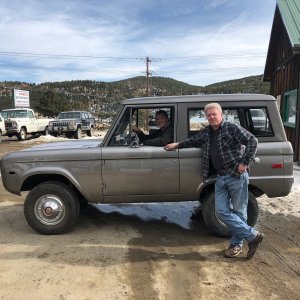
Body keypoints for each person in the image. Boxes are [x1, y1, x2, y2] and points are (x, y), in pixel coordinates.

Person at [164, 102, 264, 259]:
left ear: (221, 114)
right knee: (221, 211)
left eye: (214, 114)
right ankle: (253, 236)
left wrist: (244, 163)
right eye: (208, 115)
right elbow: (194, 140)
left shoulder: (231, 127)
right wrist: (177, 145)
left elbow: (253, 141)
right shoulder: (207, 132)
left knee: (239, 211)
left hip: (236, 176)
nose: (211, 117)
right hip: (220, 176)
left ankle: (236, 244)